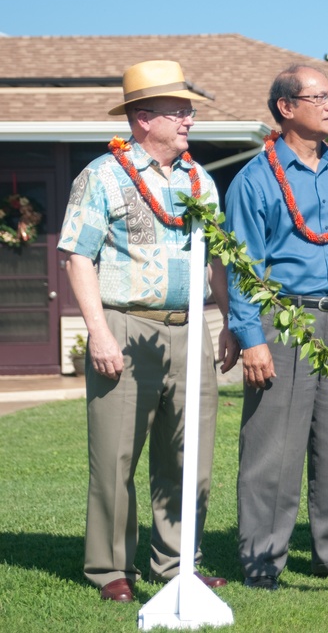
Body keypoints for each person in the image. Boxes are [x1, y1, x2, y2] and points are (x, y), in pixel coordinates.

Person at [58, 59, 239, 603]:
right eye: (178, 110)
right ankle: (109, 568)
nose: (189, 118)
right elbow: (76, 256)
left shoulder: (199, 179)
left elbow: (215, 259)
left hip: (190, 328)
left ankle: (179, 561)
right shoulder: (101, 175)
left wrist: (228, 319)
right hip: (124, 322)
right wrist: (99, 332)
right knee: (115, 456)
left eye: (188, 110)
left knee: (190, 452)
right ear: (142, 117)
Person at [226, 65, 328, 591]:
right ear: (285, 108)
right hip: (285, 322)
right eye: (318, 96)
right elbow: (241, 266)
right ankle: (261, 560)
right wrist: (251, 338)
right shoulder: (256, 179)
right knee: (272, 446)